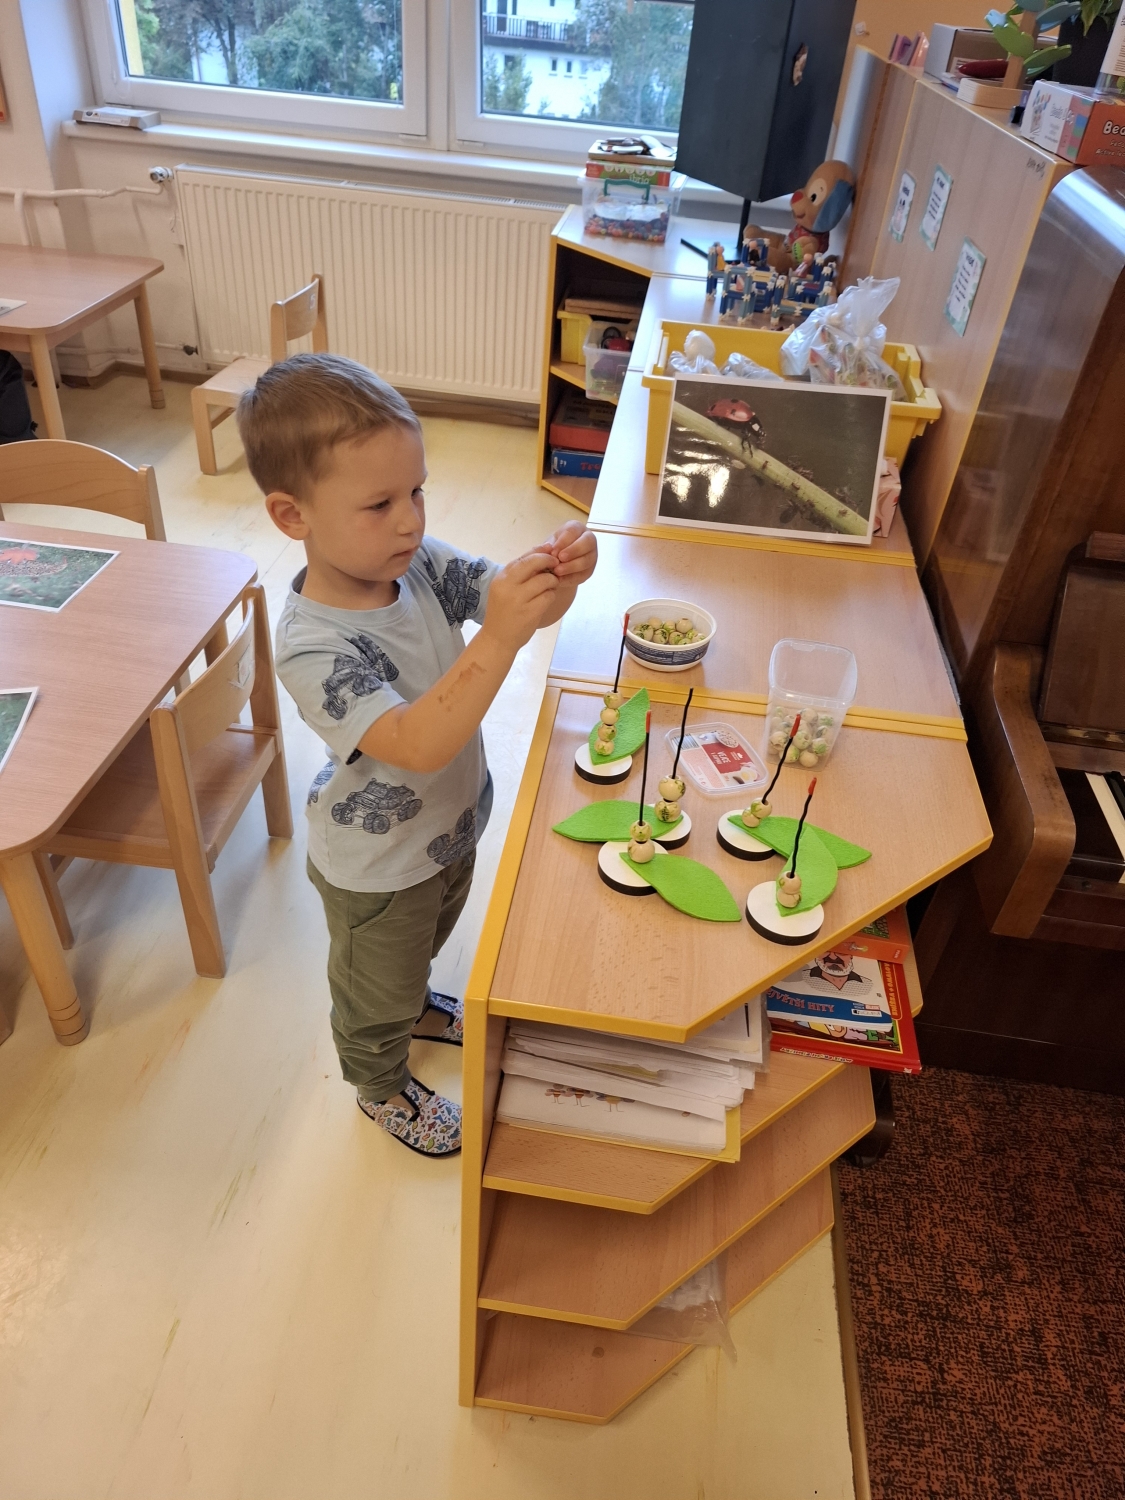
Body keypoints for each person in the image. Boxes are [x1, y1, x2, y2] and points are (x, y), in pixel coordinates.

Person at [238, 353, 597, 1158]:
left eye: (417, 492)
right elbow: (417, 743)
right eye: (379, 504)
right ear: (292, 516)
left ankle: (416, 1004)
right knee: (374, 989)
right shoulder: (310, 644)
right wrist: (499, 634)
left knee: (425, 943)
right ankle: (379, 1082)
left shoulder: (419, 564)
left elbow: (511, 598)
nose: (410, 520)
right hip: (376, 867)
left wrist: (560, 576)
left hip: (445, 830)